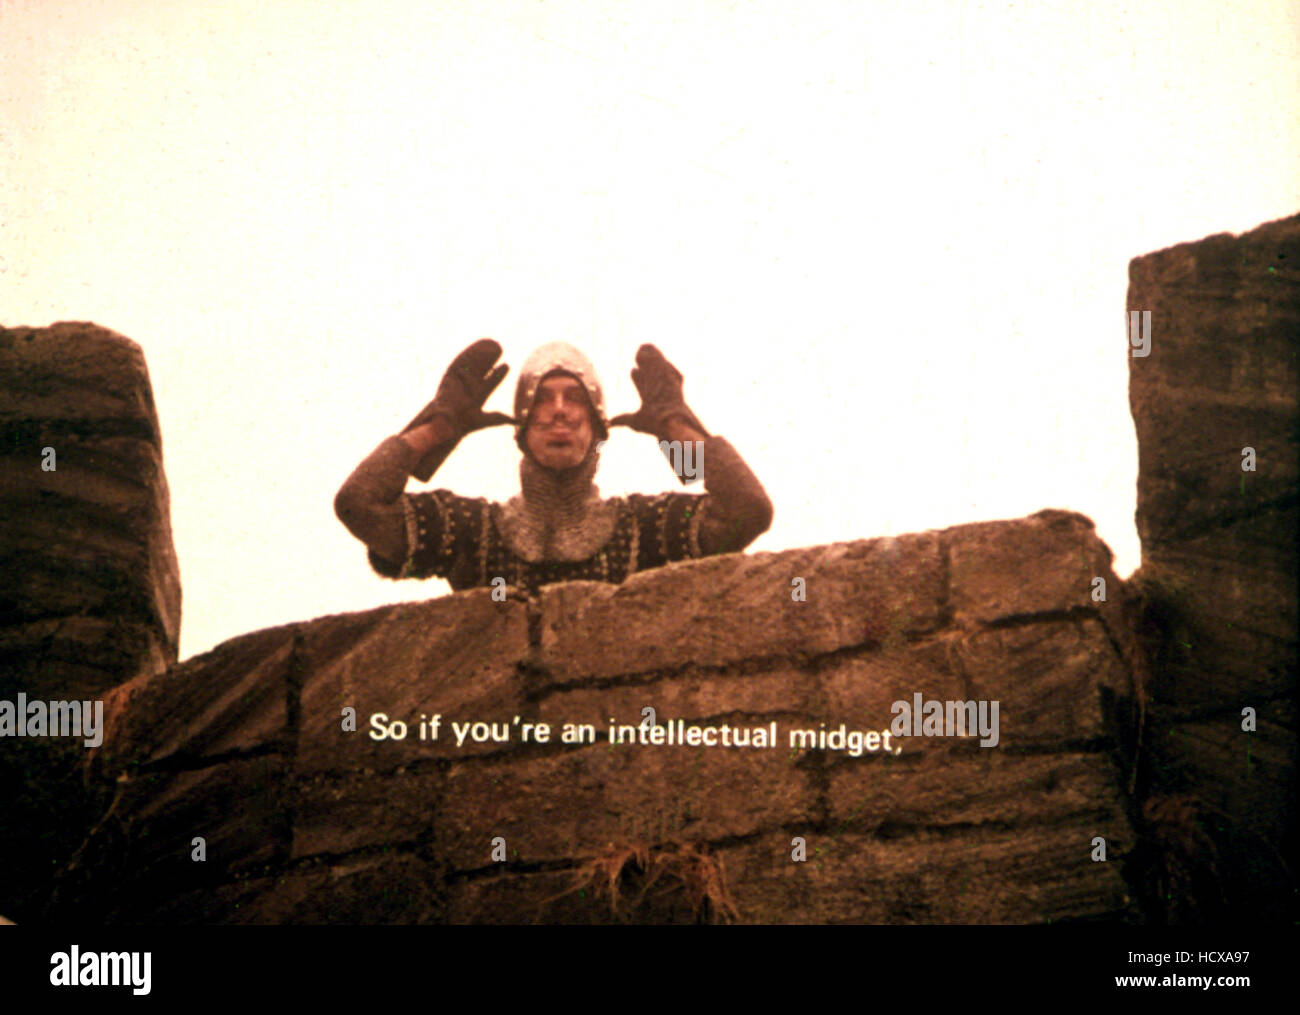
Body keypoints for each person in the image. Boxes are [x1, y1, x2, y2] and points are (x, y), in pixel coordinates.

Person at [334, 339, 772, 594]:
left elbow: (748, 510)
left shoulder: (647, 529)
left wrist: (675, 427)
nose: (559, 411)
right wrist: (438, 427)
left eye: (575, 398)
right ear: (521, 427)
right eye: (543, 398)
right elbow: (360, 504)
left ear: (599, 427)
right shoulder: (469, 530)